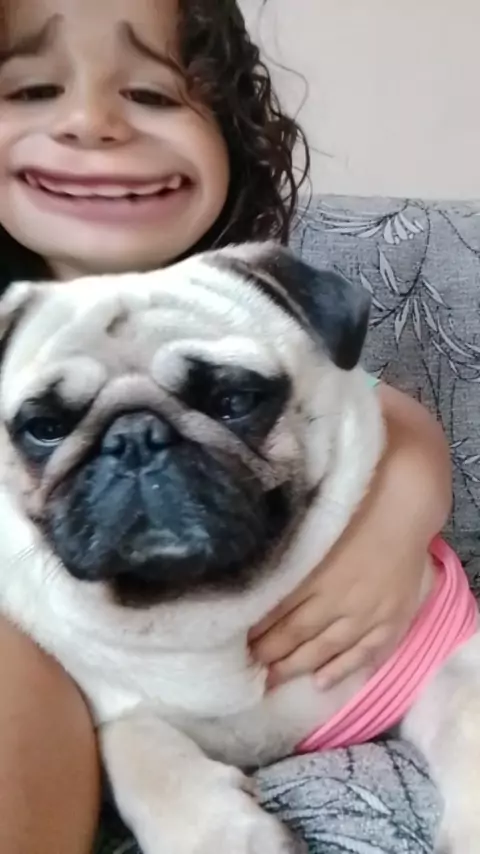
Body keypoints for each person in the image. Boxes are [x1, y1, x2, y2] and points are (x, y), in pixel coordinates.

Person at [0, 0, 450, 851]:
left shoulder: (246, 298)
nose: (91, 123)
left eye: (151, 94)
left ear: (234, 131)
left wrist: (397, 517)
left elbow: (372, 407)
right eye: (29, 90)